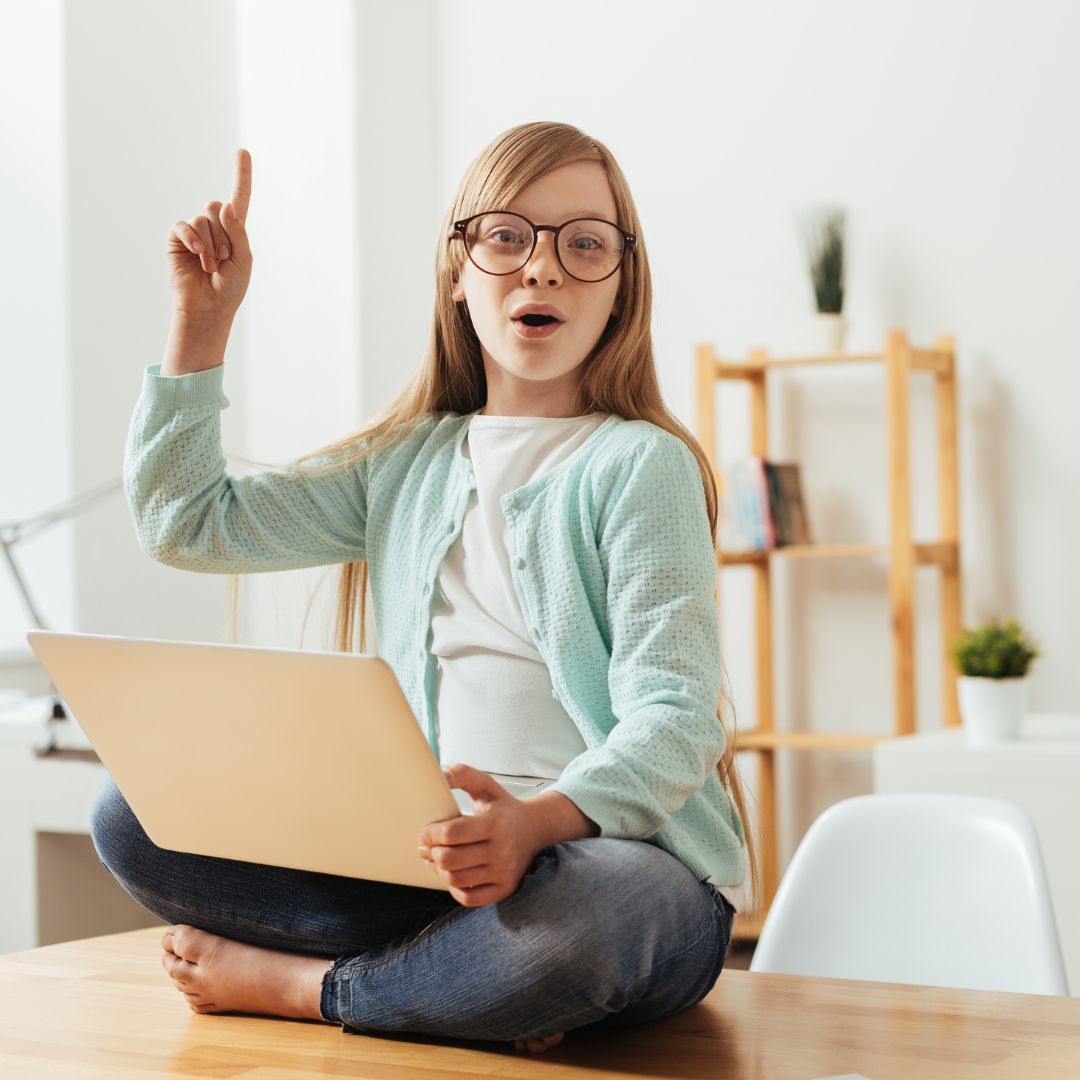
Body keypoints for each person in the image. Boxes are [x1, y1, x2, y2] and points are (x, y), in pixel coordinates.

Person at [91, 121, 758, 1055]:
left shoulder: (638, 465)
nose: (543, 269)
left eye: (585, 244)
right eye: (506, 237)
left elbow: (676, 717)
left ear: (620, 290)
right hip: (425, 874)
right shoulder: (406, 462)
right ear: (458, 271)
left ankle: (313, 988)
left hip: (616, 867)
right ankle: (475, 984)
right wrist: (202, 326)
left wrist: (533, 827)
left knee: (602, 912)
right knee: (134, 813)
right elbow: (188, 522)